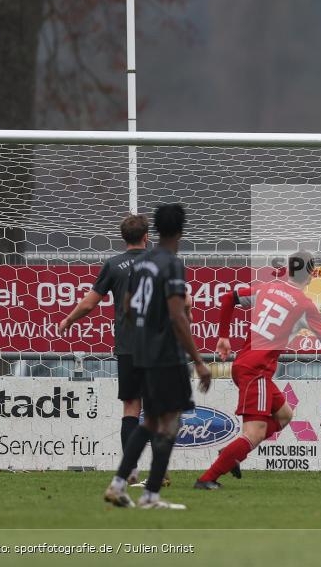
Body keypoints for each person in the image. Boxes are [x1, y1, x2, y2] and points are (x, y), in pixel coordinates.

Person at [195, 252, 321, 489]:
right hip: (257, 371)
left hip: (244, 364)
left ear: (288, 270)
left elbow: (229, 297)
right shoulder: (305, 305)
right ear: (311, 275)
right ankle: (207, 479)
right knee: (254, 433)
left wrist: (223, 336)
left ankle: (230, 453)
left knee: (284, 415)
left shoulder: (266, 288)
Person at [103, 203, 212, 509]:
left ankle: (119, 483)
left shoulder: (143, 263)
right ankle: (150, 495)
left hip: (142, 352)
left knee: (149, 420)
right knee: (169, 423)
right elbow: (179, 316)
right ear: (179, 230)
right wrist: (199, 361)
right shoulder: (171, 263)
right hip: (167, 355)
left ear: (157, 230)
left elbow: (127, 305)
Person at [58, 214, 149, 484]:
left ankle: (131, 470)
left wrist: (68, 319)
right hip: (158, 347)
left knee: (131, 408)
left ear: (124, 238)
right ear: (146, 236)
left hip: (129, 347)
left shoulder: (113, 265)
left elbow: (89, 304)